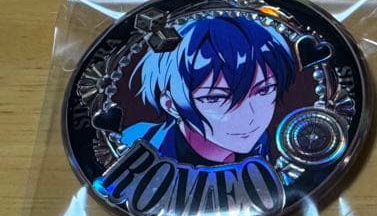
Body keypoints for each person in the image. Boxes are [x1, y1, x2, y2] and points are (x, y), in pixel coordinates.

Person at [121, 15, 297, 166]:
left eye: (264, 90)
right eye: (215, 98)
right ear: (171, 104)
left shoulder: (264, 143)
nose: (249, 117)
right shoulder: (135, 145)